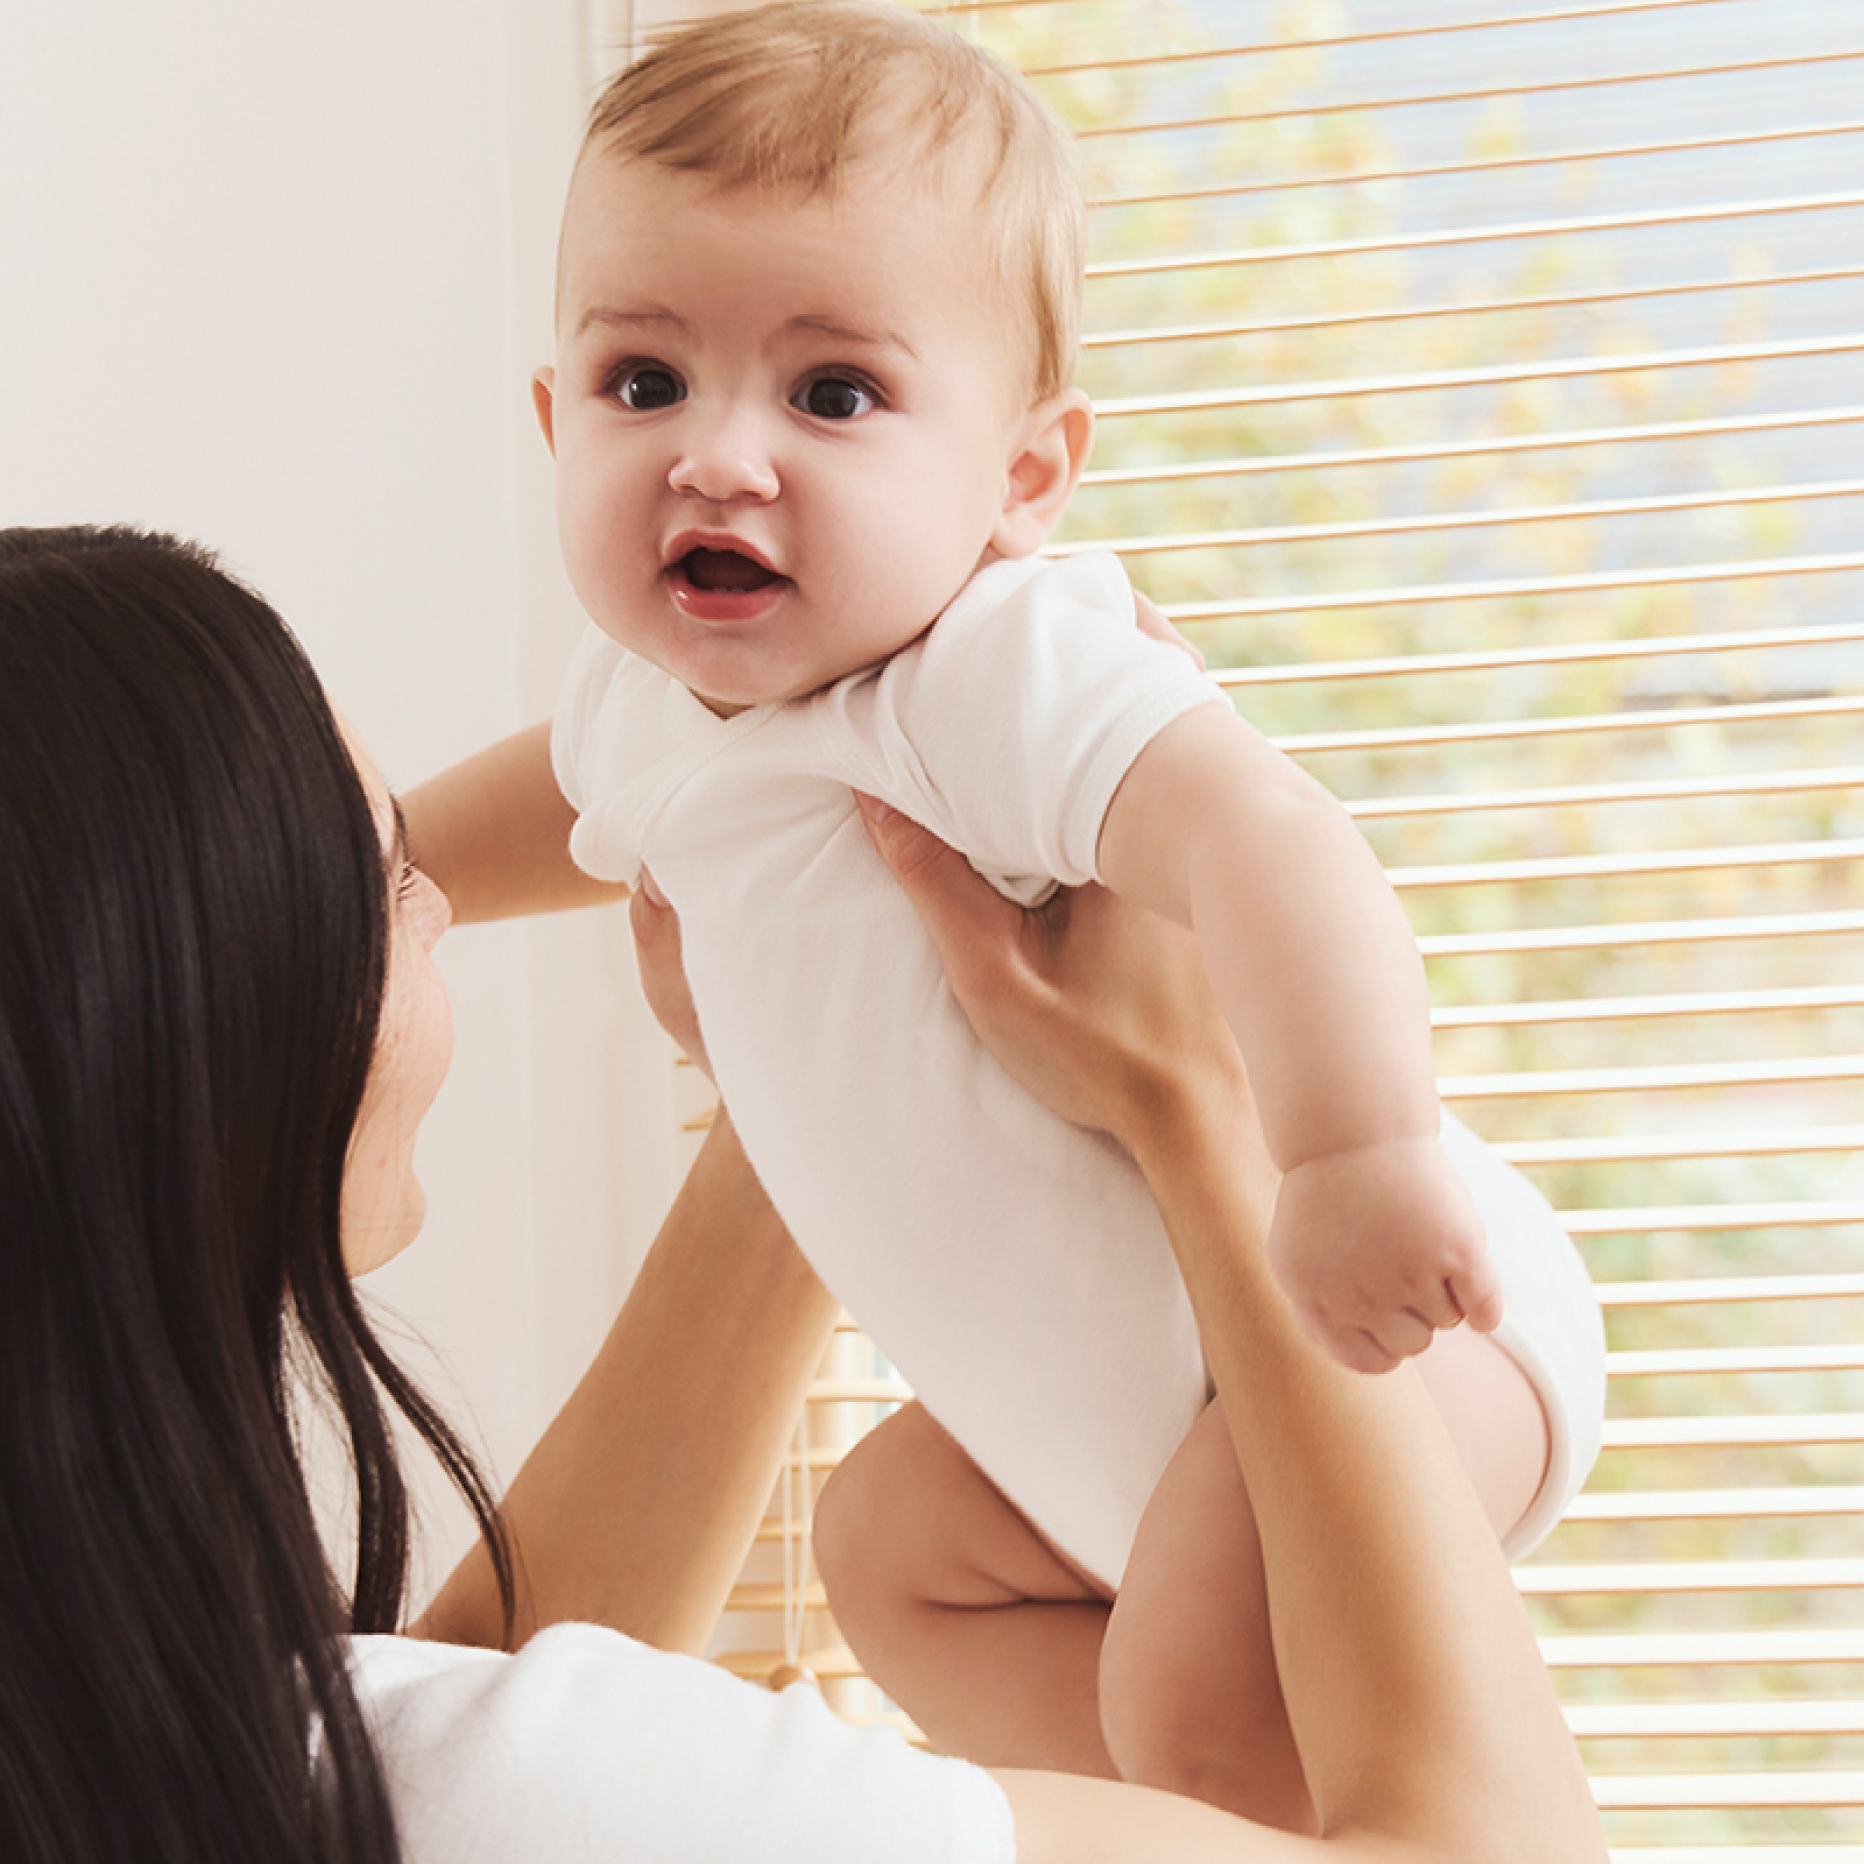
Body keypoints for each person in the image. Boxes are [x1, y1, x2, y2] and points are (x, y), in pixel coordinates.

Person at [407, 0, 1607, 1827]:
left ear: (1024, 478)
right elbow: (520, 810)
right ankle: (1202, 1801)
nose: (722, 458)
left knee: (1199, 1702)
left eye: (835, 395)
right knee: (893, 1551)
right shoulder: (646, 701)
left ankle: (1249, 1778)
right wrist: (370, 859)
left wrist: (1351, 1153)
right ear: (554, 416)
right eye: (648, 384)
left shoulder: (985, 667)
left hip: (1348, 1326)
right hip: (1081, 1452)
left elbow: (1268, 842)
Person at [0, 519, 1604, 1862]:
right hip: (1234, 1359)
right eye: (383, 882)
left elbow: (476, 1696)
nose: (427, 921)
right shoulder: (431, 1786)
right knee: (898, 1544)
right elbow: (491, 1750)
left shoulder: (179, 1759)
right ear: (193, 1044)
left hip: (1453, 1322)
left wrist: (815, 1046)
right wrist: (1197, 1105)